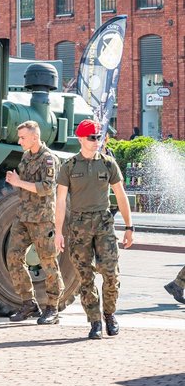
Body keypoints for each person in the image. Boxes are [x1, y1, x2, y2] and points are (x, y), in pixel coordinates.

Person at [54, 119, 134, 340]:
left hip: (104, 224)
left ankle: (109, 314)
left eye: (98, 137)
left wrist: (129, 226)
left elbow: (120, 195)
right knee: (85, 277)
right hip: (78, 227)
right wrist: (58, 232)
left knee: (110, 274)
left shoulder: (108, 164)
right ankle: (95, 322)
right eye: (91, 138)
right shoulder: (68, 167)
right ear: (81, 138)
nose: (96, 141)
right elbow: (60, 201)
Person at [4, 120, 63, 325]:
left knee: (48, 262)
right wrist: (16, 180)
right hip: (24, 216)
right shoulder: (26, 156)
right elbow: (24, 186)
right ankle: (28, 303)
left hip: (42, 219)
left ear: (35, 137)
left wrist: (19, 182)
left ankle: (53, 308)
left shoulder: (49, 159)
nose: (19, 141)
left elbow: (47, 188)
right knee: (13, 257)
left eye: (22, 137)